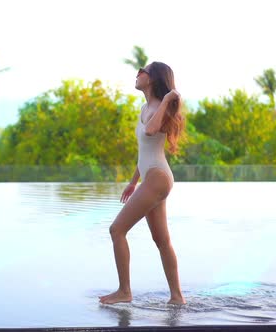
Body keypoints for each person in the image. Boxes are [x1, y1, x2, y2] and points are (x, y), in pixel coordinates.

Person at [99, 62, 186, 305]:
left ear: (154, 78)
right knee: (162, 241)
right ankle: (177, 297)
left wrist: (168, 98)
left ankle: (124, 291)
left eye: (143, 70)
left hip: (158, 177)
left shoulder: (160, 108)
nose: (138, 73)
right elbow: (144, 151)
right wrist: (133, 182)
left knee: (117, 230)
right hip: (151, 177)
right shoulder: (145, 107)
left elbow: (151, 132)